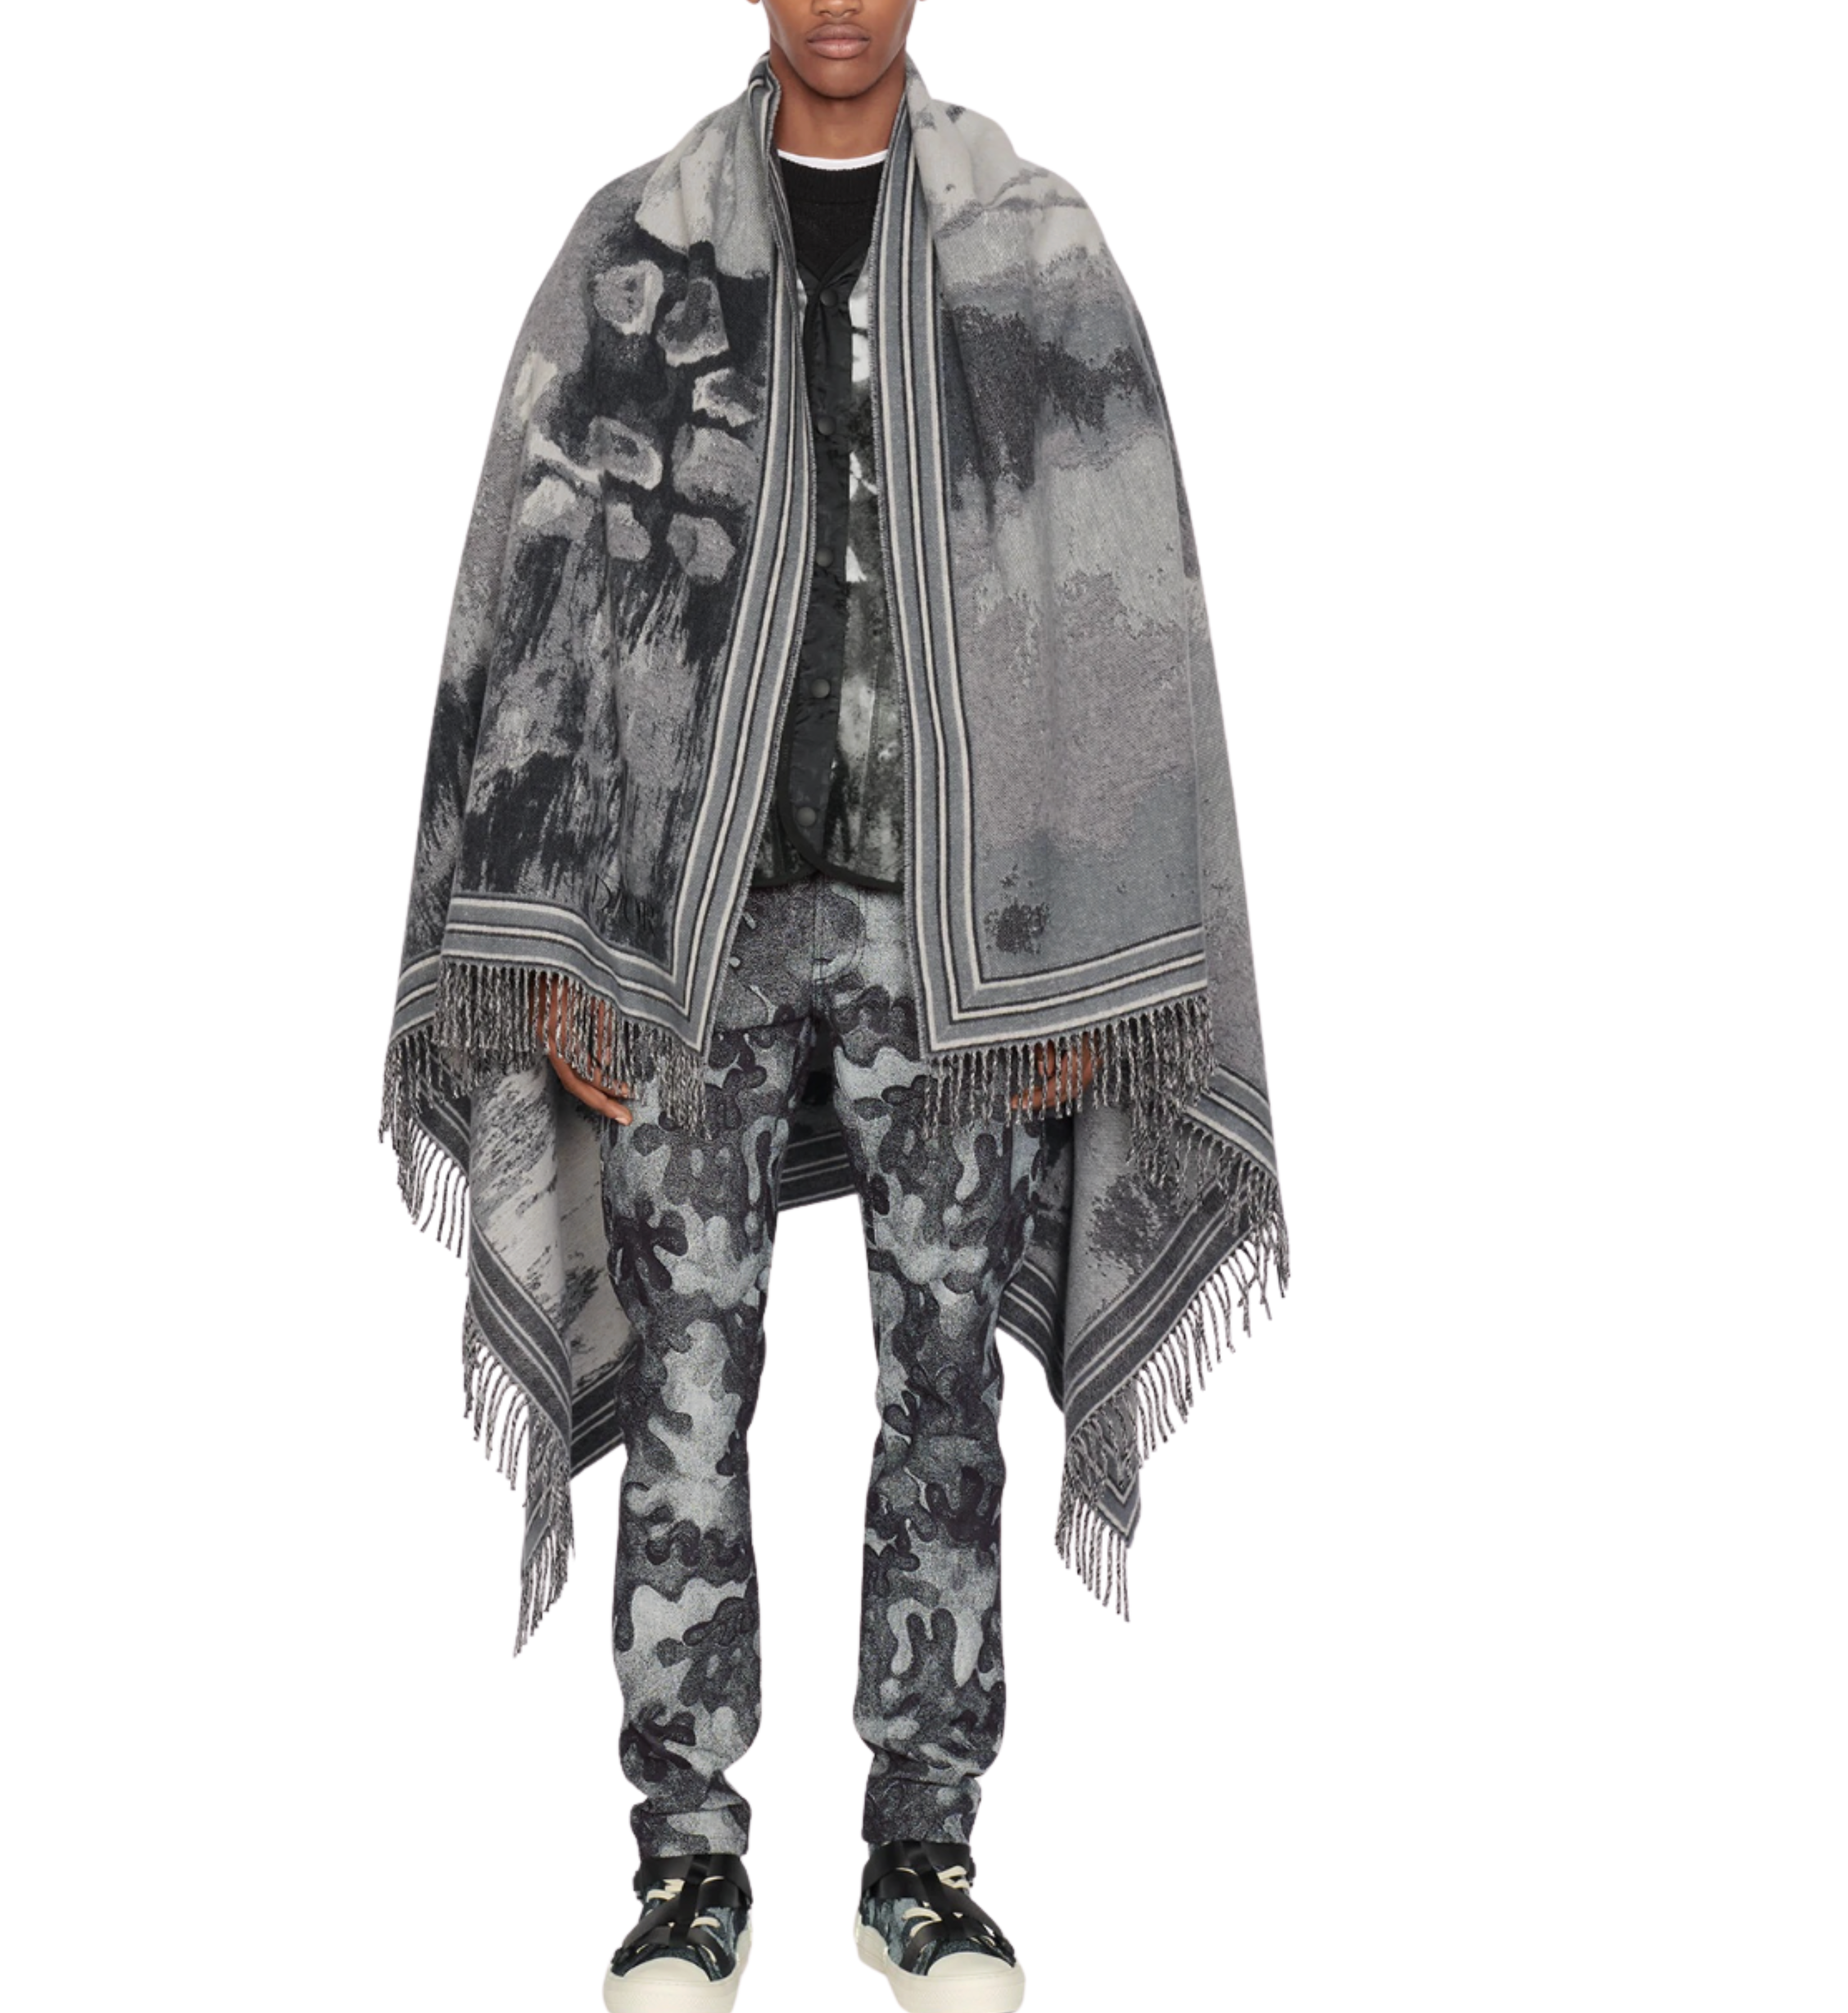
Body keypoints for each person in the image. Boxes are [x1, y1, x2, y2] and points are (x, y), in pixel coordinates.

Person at [378, 4, 1291, 2008]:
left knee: (943, 1397)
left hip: (951, 940)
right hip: (684, 944)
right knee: (686, 1391)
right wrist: (567, 947)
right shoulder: (636, 248)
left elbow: (1121, 610)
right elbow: (543, 613)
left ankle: (923, 1865)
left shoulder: (1033, 248)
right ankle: (685, 1873)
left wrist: (1079, 947)